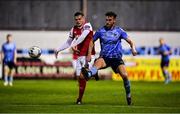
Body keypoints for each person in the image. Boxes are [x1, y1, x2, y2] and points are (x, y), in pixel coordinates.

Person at [80, 11, 137, 105]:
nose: (107, 21)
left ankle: (128, 95)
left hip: (116, 59)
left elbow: (130, 41)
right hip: (105, 58)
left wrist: (133, 49)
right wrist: (89, 54)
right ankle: (90, 74)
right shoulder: (100, 31)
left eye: (109, 20)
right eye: (106, 20)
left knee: (125, 76)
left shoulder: (119, 31)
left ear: (114, 20)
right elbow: (91, 41)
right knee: (96, 66)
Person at [55, 12, 97, 105]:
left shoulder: (87, 26)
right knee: (80, 79)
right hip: (79, 56)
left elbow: (83, 37)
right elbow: (68, 42)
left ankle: (93, 72)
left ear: (83, 18)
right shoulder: (73, 29)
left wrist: (74, 44)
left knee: (83, 76)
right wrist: (58, 49)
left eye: (79, 19)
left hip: (89, 55)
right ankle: (79, 99)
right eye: (76, 19)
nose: (78, 21)